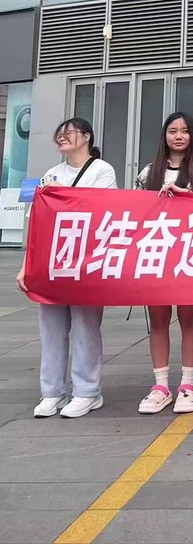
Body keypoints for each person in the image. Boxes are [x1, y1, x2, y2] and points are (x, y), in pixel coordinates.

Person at [16, 118, 117, 419]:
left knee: (86, 327)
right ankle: (52, 392)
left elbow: (103, 210)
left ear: (86, 137)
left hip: (86, 261)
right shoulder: (51, 173)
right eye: (59, 134)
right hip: (52, 262)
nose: (62, 137)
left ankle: (88, 392)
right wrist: (26, 266)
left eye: (69, 133)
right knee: (51, 328)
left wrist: (62, 193)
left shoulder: (102, 170)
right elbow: (37, 223)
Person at [136, 112, 193, 415]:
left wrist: (188, 195)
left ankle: (187, 384)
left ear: (192, 136)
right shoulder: (148, 173)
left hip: (190, 255)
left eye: (184, 131)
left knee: (188, 318)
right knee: (158, 320)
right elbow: (134, 212)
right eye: (172, 131)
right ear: (164, 136)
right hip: (156, 256)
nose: (179, 136)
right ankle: (160, 386)